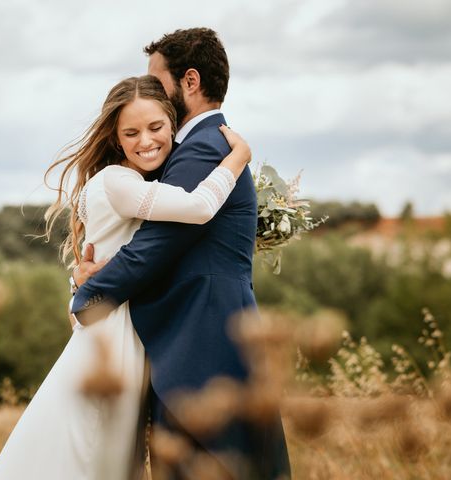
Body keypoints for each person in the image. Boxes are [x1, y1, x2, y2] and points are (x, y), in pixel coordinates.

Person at [0, 74, 251, 480]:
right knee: (94, 451)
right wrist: (238, 158)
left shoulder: (128, 181)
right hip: (114, 335)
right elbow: (198, 208)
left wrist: (86, 282)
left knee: (107, 450)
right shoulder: (117, 182)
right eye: (131, 133)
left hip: (121, 326)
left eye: (156, 128)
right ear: (116, 138)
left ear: (172, 123)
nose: (145, 141)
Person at [71, 28, 291, 479]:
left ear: (189, 81)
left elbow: (152, 250)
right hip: (211, 342)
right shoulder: (207, 146)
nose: (151, 90)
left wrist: (87, 293)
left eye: (157, 79)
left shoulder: (203, 150)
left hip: (201, 351)